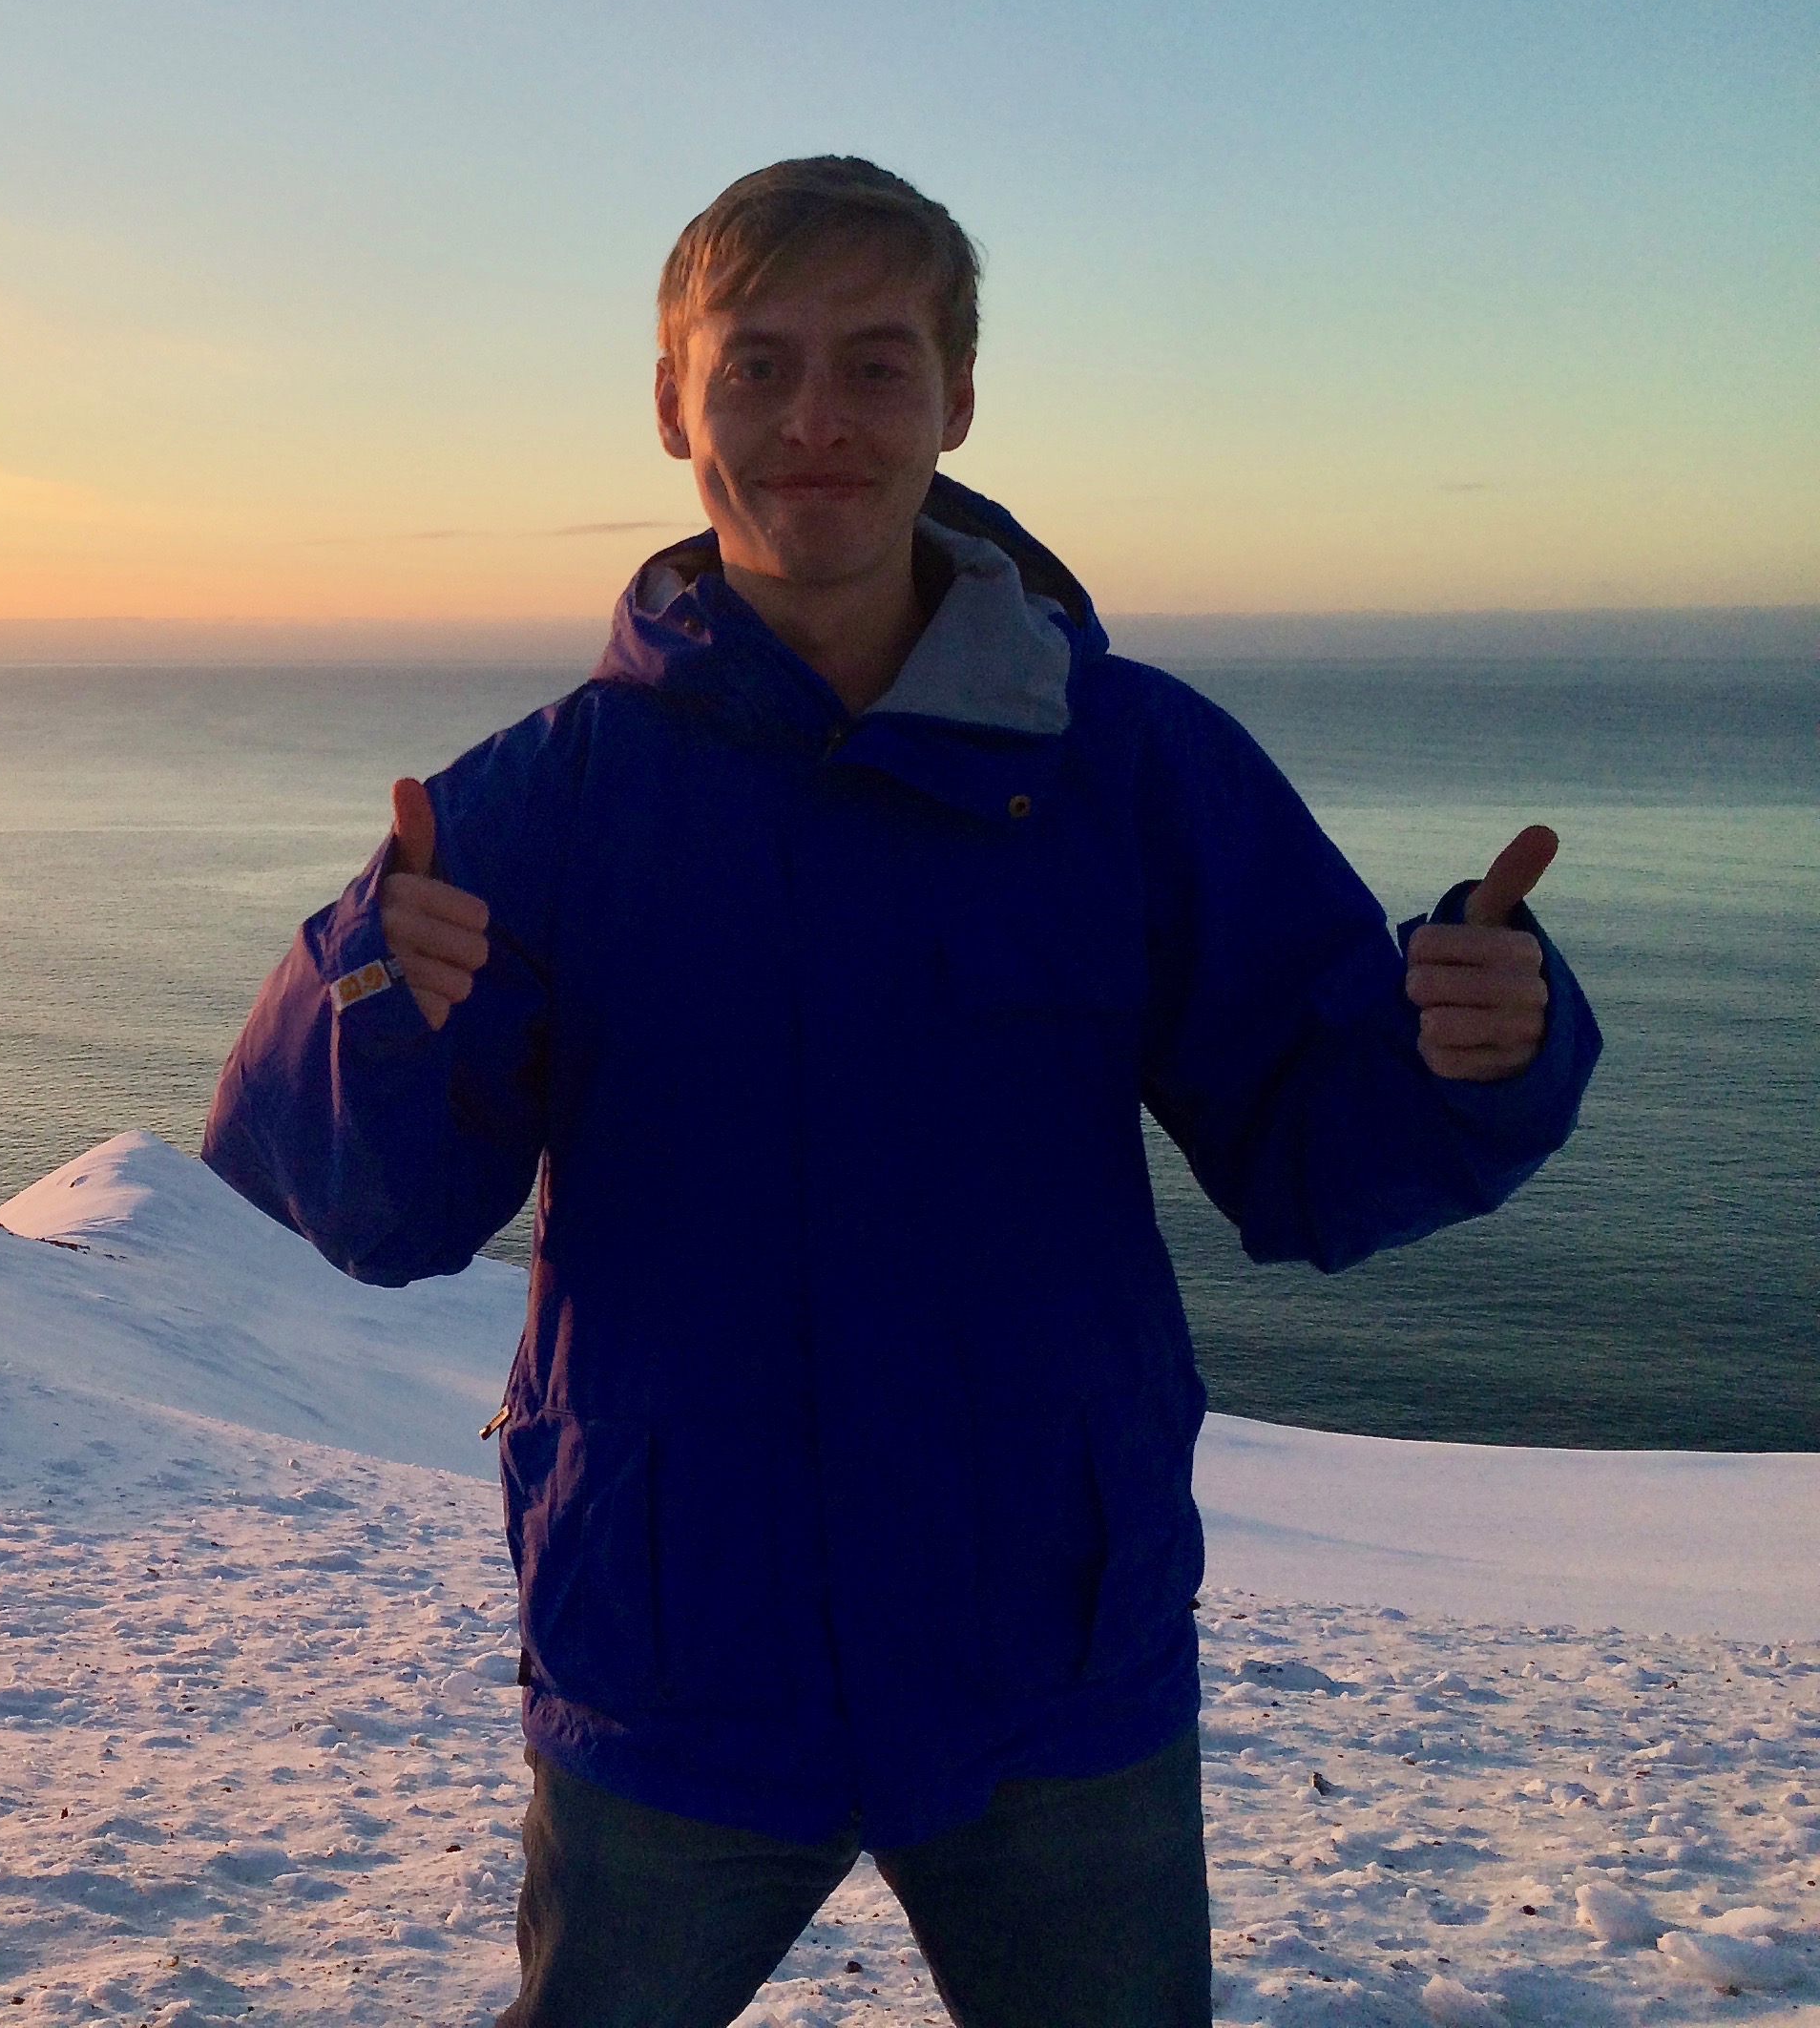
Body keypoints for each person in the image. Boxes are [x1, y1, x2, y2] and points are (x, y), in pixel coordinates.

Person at [199, 156, 1600, 2028]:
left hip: (1052, 1643)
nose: (816, 420)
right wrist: (361, 1001)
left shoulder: (1131, 765)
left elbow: (1307, 1141)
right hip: (679, 1643)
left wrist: (1472, 1053)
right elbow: (379, 1211)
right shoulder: (545, 798)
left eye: (875, 364)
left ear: (959, 397)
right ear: (673, 403)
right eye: (758, 366)